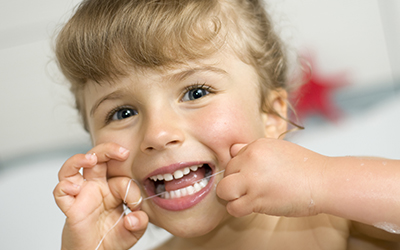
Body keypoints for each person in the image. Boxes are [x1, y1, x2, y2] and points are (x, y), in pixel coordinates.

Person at [52, 0, 400, 249]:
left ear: (272, 114)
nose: (158, 134)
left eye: (196, 92)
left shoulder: (338, 222)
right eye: (123, 113)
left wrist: (322, 182)